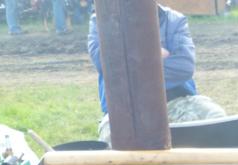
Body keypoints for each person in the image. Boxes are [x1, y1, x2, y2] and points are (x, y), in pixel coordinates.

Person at [88, 4, 225, 144]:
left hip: (176, 100)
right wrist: (155, 51)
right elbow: (109, 67)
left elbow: (184, 67)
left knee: (219, 121)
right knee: (111, 145)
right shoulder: (101, 21)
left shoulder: (174, 20)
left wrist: (129, 58)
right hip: (125, 107)